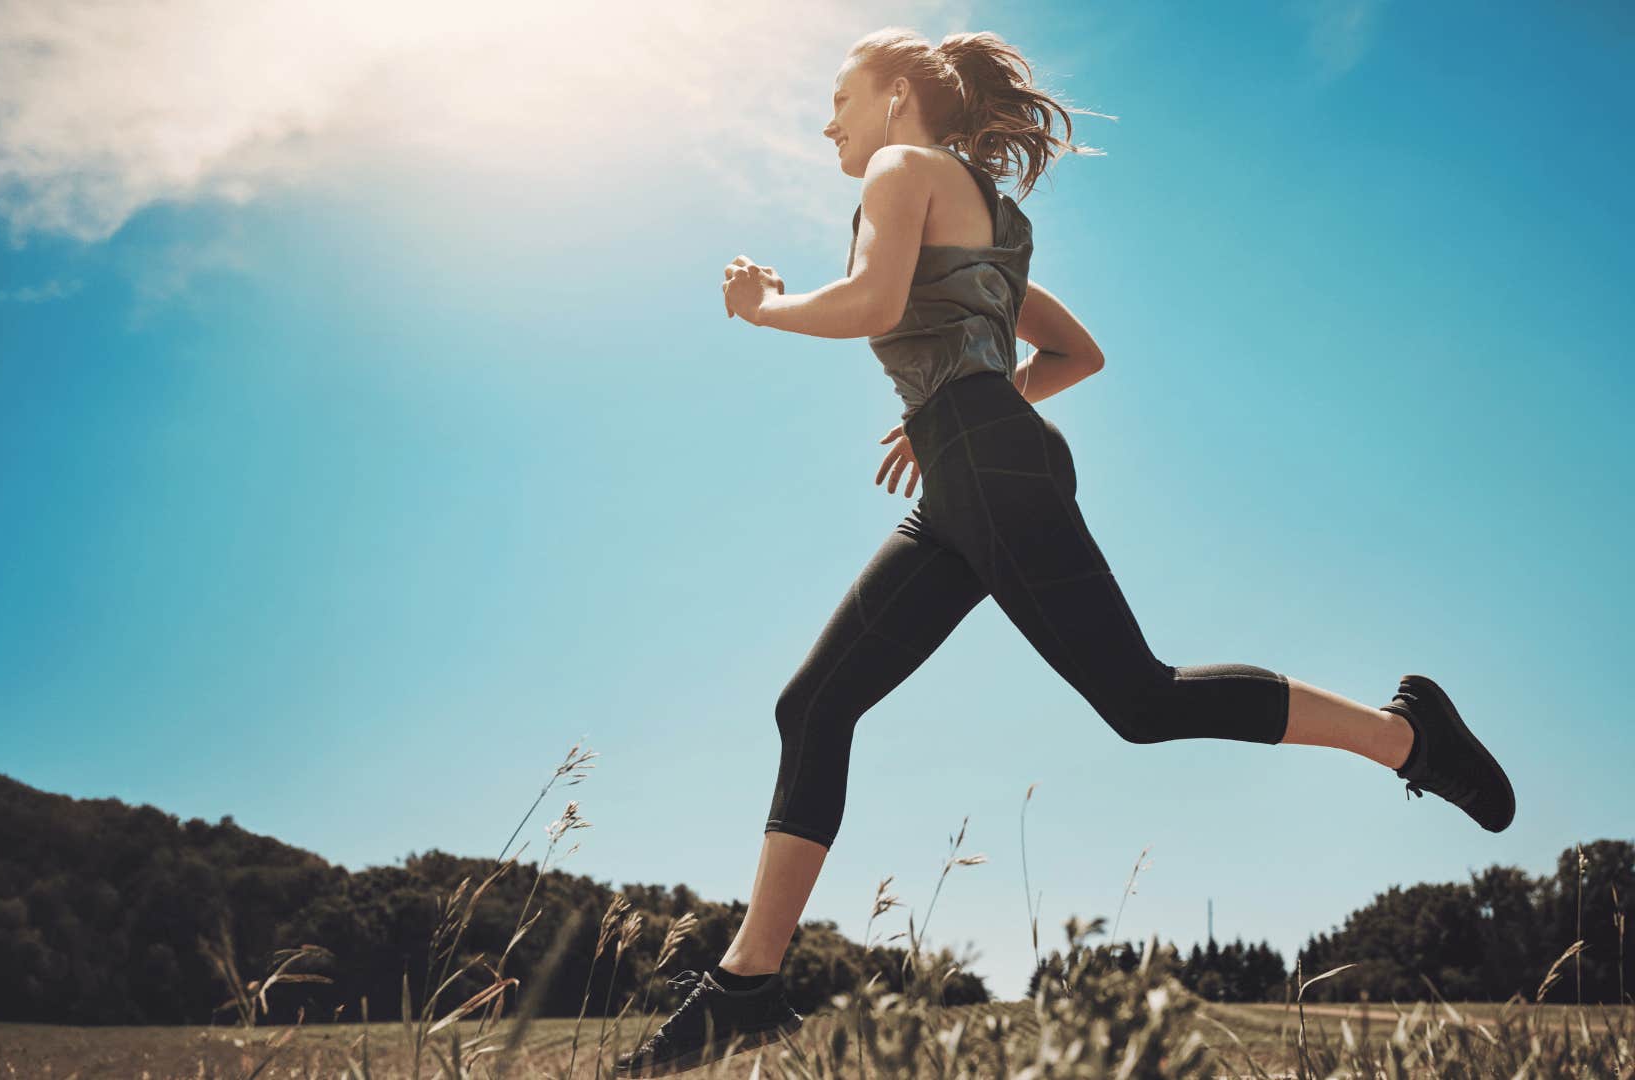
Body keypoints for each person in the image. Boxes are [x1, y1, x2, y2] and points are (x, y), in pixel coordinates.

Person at [616, 24, 1515, 1079]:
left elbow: (869, 301)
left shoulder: (904, 167)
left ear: (900, 96)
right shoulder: (992, 219)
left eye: (842, 98)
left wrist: (759, 305)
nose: (830, 121)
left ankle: (1405, 734)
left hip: (989, 469)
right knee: (813, 704)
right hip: (971, 475)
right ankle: (745, 987)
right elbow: (1072, 353)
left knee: (1143, 701)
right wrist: (958, 403)